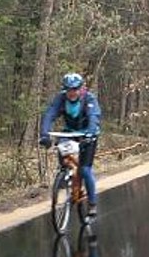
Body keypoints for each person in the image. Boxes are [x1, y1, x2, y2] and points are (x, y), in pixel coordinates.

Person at [40, 72, 103, 219]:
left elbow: (94, 117)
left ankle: (92, 204)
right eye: (69, 89)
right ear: (65, 89)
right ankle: (66, 179)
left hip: (88, 134)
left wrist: (90, 132)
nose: (72, 92)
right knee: (64, 159)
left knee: (85, 170)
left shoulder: (89, 98)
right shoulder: (60, 99)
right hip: (69, 133)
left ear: (81, 88)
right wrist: (44, 135)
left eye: (75, 89)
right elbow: (50, 114)